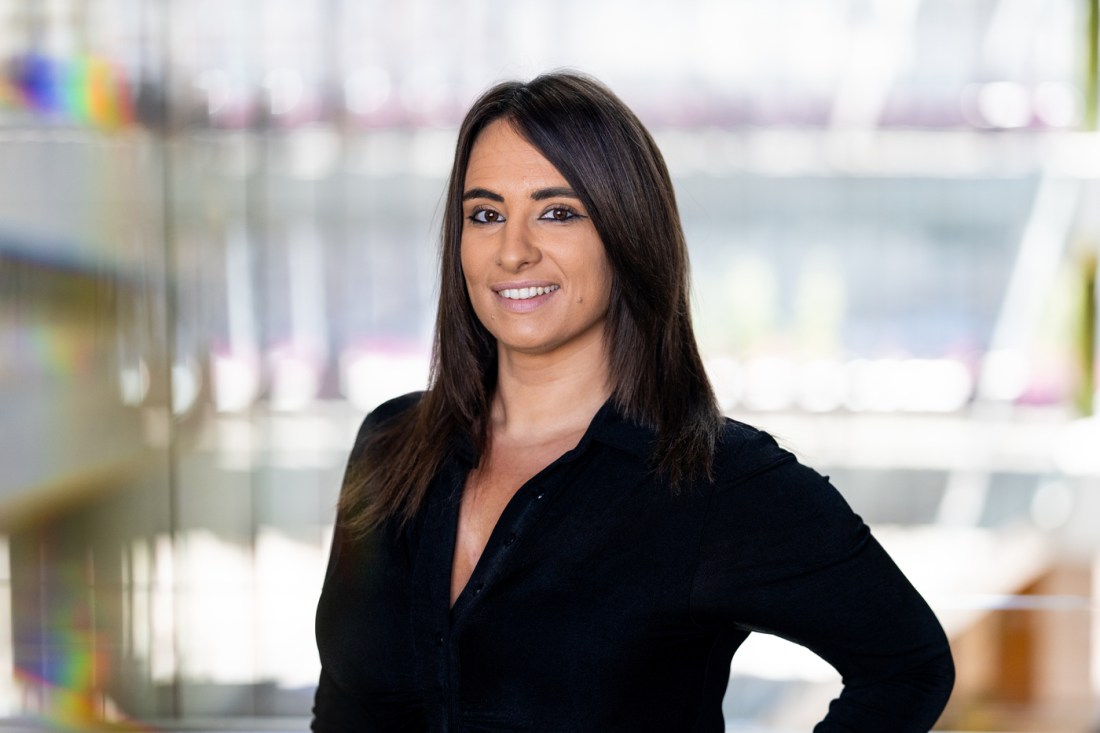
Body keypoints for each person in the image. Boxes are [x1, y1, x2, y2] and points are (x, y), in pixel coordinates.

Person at [312, 71, 954, 733]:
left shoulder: (712, 481)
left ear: (625, 235)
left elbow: (908, 665)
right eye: (486, 214)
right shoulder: (391, 446)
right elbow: (345, 711)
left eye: (557, 212)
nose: (513, 250)